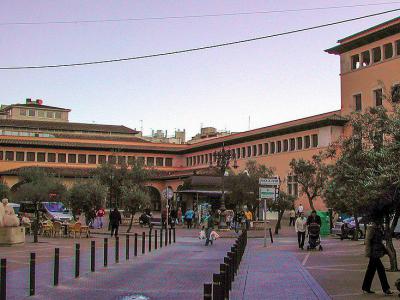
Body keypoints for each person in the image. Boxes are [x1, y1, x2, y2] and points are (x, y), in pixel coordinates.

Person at [362, 220, 393, 295]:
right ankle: (386, 289)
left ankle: (366, 288)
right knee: (381, 270)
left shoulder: (379, 229)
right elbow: (368, 241)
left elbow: (381, 241)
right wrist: (369, 252)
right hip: (374, 254)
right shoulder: (372, 229)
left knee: (371, 271)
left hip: (376, 253)